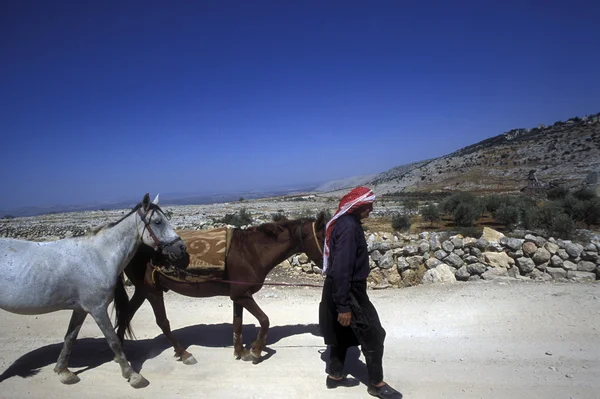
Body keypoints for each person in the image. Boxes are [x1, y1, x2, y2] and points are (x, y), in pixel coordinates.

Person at [319, 186, 402, 399]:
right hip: (349, 291)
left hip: (341, 288)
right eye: (368, 206)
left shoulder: (348, 223)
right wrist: (344, 305)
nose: (371, 210)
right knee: (374, 335)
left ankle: (335, 375)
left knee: (343, 333)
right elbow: (342, 268)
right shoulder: (348, 227)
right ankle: (376, 383)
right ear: (357, 206)